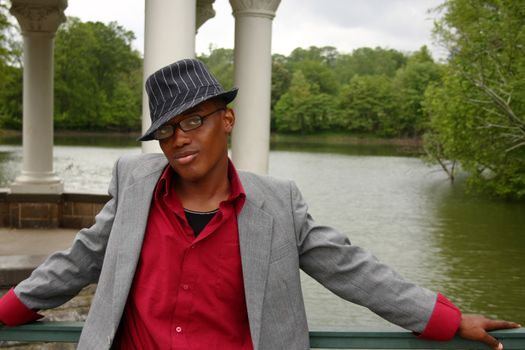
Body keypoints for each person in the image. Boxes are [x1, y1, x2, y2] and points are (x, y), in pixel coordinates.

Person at [0, 58, 519, 350]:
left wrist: (444, 320)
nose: (179, 139)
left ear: (226, 120)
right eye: (165, 130)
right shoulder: (134, 185)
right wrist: (11, 308)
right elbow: (82, 257)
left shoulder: (277, 203)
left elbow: (351, 269)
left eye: (193, 121)